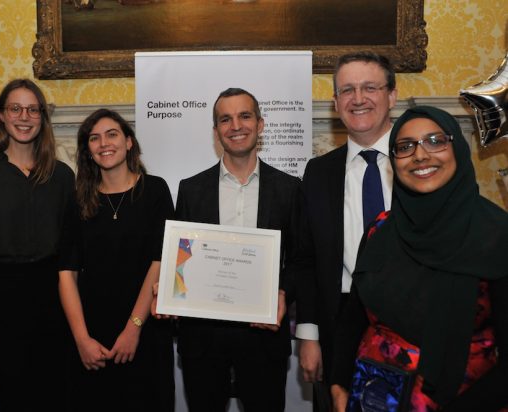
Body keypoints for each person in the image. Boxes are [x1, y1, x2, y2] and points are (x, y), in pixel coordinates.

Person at [330, 105, 508, 412]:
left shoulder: (497, 235)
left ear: (458, 150)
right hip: (371, 399)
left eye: (436, 141)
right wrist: (338, 384)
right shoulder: (380, 230)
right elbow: (354, 317)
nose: (421, 155)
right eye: (405, 146)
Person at [173, 87, 302, 411]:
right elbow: (182, 257)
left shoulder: (290, 189)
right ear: (216, 132)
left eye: (245, 116)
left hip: (264, 337)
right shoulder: (190, 189)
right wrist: (173, 289)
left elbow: (302, 258)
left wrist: (283, 293)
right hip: (203, 340)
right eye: (225, 119)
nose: (236, 126)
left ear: (260, 124)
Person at [0, 78, 74, 411]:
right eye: (15, 108)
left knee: (57, 397)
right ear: (1, 116)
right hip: (2, 302)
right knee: (12, 399)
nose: (24, 117)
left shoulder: (63, 176)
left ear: (42, 117)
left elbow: (72, 251)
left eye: (33, 109)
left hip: (54, 302)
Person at [295, 51, 397, 411]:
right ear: (336, 102)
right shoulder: (318, 172)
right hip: (336, 322)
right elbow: (306, 259)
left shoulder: (419, 163)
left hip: (410, 322)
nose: (358, 99)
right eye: (347, 90)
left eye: (370, 87)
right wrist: (308, 335)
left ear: (392, 96)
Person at [58, 109, 175, 411]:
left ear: (129, 143)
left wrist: (133, 328)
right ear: (88, 151)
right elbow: (66, 274)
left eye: (112, 134)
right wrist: (81, 340)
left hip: (145, 330)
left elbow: (159, 261)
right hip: (90, 334)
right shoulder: (77, 199)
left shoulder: (155, 191)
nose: (103, 143)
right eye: (94, 138)